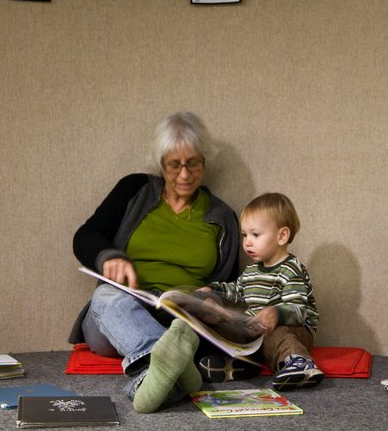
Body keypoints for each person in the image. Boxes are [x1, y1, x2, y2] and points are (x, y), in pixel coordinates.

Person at [70, 111, 240, 411]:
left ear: (205, 162)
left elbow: (230, 283)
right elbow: (86, 235)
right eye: (175, 165)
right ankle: (167, 361)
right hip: (117, 316)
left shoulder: (222, 217)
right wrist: (108, 257)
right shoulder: (133, 191)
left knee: (185, 331)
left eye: (193, 163)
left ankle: (155, 377)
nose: (185, 175)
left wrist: (211, 299)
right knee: (106, 296)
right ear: (161, 164)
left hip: (180, 319)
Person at [200, 192, 323, 390]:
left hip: (294, 330)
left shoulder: (291, 269)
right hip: (257, 330)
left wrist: (276, 313)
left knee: (274, 334)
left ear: (282, 236)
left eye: (255, 235)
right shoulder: (251, 272)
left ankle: (299, 362)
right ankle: (242, 365)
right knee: (229, 324)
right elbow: (235, 290)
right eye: (245, 235)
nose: (247, 242)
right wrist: (212, 290)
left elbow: (299, 311)